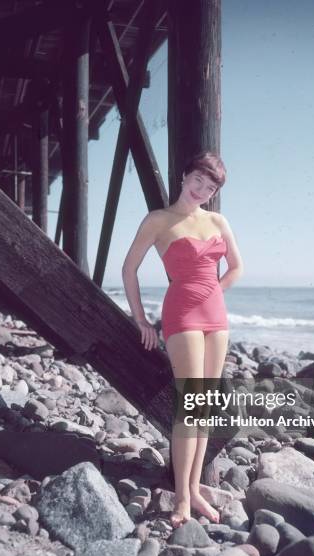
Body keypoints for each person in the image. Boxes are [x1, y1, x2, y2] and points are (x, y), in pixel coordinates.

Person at [122, 151, 244, 528]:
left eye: (210, 188)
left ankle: (192, 490)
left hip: (215, 315)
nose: (201, 191)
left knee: (204, 405)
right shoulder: (159, 220)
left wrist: (216, 293)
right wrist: (140, 318)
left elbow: (237, 267)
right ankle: (180, 499)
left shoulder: (218, 220)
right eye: (198, 182)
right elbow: (129, 269)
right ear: (184, 175)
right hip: (182, 315)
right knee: (190, 404)